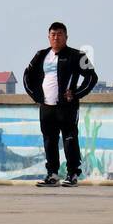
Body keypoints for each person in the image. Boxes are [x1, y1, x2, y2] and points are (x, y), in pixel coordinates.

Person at [22, 22, 97, 187]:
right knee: (49, 140)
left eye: (60, 34)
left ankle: (73, 174)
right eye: (53, 34)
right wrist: (36, 96)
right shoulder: (40, 55)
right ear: (48, 37)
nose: (56, 37)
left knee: (70, 139)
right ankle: (52, 175)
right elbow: (27, 75)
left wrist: (76, 94)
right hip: (46, 107)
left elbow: (92, 77)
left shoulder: (77, 55)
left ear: (66, 37)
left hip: (67, 107)